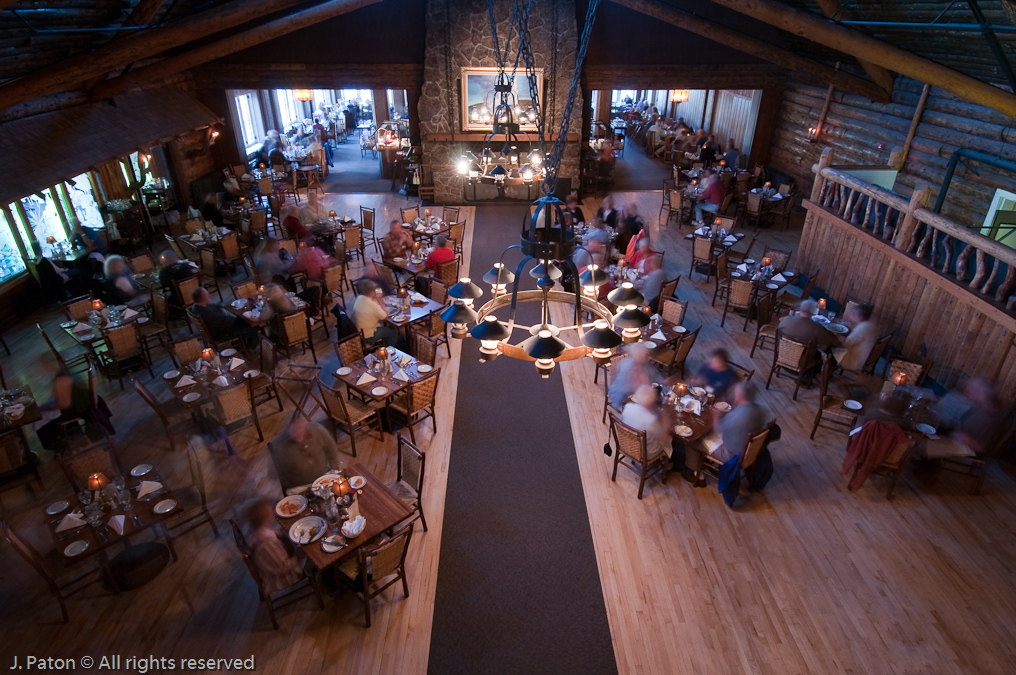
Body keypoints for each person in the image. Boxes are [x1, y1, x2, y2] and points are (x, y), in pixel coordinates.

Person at [685, 381, 769, 486]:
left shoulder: (737, 416)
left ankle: (696, 474)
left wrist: (715, 415)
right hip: (746, 449)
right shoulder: (760, 410)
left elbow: (717, 428)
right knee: (706, 434)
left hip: (731, 454)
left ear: (740, 396)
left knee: (692, 440)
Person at [36, 356, 113, 452]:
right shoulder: (66, 372)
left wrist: (48, 408)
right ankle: (73, 434)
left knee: (41, 418)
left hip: (79, 408)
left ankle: (59, 446)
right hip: (84, 402)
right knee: (44, 411)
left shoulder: (61, 379)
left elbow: (65, 404)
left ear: (48, 365)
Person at [926, 378, 1003, 459]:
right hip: (952, 432)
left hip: (965, 447)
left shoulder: (992, 419)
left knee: (925, 443)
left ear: (983, 395)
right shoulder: (979, 408)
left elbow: (982, 449)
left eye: (971, 392)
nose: (968, 395)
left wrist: (965, 438)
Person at [242, 498, 306, 596]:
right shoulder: (266, 546)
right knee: (313, 556)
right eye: (269, 509)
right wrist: (300, 555)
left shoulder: (259, 529)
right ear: (264, 516)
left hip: (284, 555)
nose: (272, 509)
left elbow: (278, 535)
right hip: (283, 578)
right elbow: (284, 566)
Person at [268, 416, 341, 494]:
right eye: (292, 430)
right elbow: (274, 474)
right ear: (287, 430)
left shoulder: (317, 430)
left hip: (324, 478)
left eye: (299, 428)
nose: (297, 433)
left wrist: (335, 467)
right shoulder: (280, 446)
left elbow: (331, 448)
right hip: (301, 487)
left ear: (305, 424)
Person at [778, 299, 839, 382]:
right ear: (812, 311)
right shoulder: (816, 328)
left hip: (782, 358)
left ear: (800, 308)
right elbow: (833, 342)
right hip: (803, 365)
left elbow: (779, 333)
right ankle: (818, 376)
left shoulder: (786, 320)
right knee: (827, 352)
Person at [191, 287, 258, 350]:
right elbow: (224, 321)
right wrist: (229, 317)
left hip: (223, 326)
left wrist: (222, 309)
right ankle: (250, 349)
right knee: (253, 330)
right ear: (203, 298)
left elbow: (217, 305)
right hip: (223, 333)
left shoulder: (198, 306)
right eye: (207, 295)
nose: (210, 295)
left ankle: (240, 344)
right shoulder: (206, 313)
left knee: (243, 320)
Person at [622, 385, 675, 462]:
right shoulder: (651, 420)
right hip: (646, 453)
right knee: (670, 438)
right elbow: (663, 437)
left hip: (627, 444)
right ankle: (665, 464)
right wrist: (666, 421)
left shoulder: (628, 407)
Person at [608, 342, 662, 410]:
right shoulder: (627, 367)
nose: (646, 357)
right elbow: (624, 387)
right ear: (637, 355)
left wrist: (662, 380)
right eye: (643, 355)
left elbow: (653, 373)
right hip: (623, 396)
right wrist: (643, 387)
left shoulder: (643, 364)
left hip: (640, 394)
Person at [351, 279, 398, 347]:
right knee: (393, 331)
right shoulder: (373, 305)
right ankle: (390, 350)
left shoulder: (359, 298)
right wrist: (379, 300)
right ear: (371, 292)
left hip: (358, 331)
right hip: (368, 335)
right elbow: (385, 316)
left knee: (382, 325)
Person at [832, 304, 878, 372]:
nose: (851, 315)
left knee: (831, 348)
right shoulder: (871, 325)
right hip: (867, 358)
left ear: (860, 317)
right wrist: (853, 328)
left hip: (856, 360)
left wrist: (835, 334)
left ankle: (826, 372)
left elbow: (847, 343)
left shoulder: (861, 328)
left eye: (854, 314)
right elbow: (861, 336)